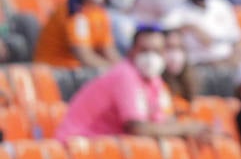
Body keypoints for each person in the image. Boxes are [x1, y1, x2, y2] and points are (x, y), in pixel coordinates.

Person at [56, 25, 209, 141]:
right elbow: (138, 128)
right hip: (78, 147)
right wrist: (186, 129)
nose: (150, 57)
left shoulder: (154, 80)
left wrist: (198, 129)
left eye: (157, 51)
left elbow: (163, 121)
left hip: (104, 149)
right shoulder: (125, 75)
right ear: (132, 51)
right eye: (144, 50)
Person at [33, 0, 120, 70]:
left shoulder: (99, 11)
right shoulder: (73, 11)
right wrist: (117, 73)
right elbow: (84, 56)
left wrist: (126, 70)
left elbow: (108, 50)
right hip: (58, 73)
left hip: (77, 72)